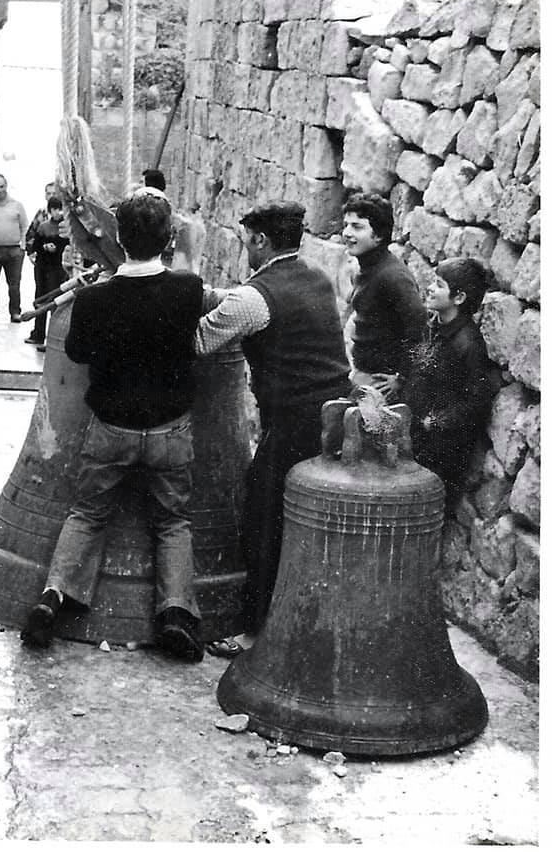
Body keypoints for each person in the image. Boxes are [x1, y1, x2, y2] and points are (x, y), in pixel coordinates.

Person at [20, 187, 205, 662]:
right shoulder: (188, 290)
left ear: (118, 238)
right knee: (172, 522)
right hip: (169, 430)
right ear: (167, 240)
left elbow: (79, 352)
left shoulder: (96, 299)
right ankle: (175, 615)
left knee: (88, 514)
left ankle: (53, 597)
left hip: (111, 426)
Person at [194, 201, 351, 644]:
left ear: (261, 241)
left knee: (261, 517)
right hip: (332, 413)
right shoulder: (315, 277)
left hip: (294, 420)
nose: (247, 250)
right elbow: (243, 305)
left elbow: (203, 339)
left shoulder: (256, 297)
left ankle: (255, 630)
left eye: (248, 242)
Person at [404, 257, 492, 507]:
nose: (430, 288)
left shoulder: (469, 344)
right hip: (417, 435)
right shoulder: (432, 326)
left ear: (459, 298)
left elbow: (477, 401)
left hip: (441, 448)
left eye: (439, 284)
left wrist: (438, 421)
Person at [342, 192, 428, 402]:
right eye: (346, 225)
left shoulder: (393, 276)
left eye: (357, 227)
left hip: (382, 385)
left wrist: (402, 378)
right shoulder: (364, 268)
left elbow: (420, 327)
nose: (347, 233)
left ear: (379, 235)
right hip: (364, 374)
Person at [0, 173, 29, 322]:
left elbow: (25, 226)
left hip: (14, 251)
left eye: (2, 186)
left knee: (14, 284)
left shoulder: (17, 205)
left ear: (6, 186)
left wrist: (23, 246)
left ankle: (15, 312)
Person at [23, 195, 69, 351]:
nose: (59, 212)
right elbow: (35, 245)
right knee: (41, 299)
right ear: (50, 211)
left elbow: (67, 246)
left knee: (55, 301)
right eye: (55, 209)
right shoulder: (43, 227)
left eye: (61, 209)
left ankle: (52, 338)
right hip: (43, 268)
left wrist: (56, 248)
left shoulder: (66, 227)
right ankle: (38, 333)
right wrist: (44, 247)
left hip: (58, 269)